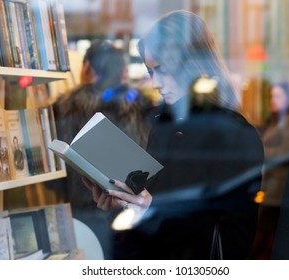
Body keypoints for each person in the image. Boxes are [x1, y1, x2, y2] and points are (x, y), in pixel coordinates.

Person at [83, 10, 264, 260]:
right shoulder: (163, 126)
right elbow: (152, 213)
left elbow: (231, 239)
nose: (155, 82)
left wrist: (152, 209)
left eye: (163, 70)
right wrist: (120, 204)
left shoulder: (232, 133)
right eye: (150, 71)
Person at [50, 39, 150, 213]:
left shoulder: (64, 107)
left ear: (86, 67)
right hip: (133, 209)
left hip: (82, 211)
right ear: (124, 73)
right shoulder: (142, 106)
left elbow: (53, 174)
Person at [250, 81, 289, 259]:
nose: (273, 100)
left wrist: (260, 152)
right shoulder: (277, 121)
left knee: (267, 239)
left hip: (278, 191)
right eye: (272, 96)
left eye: (278, 96)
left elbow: (287, 152)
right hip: (270, 190)